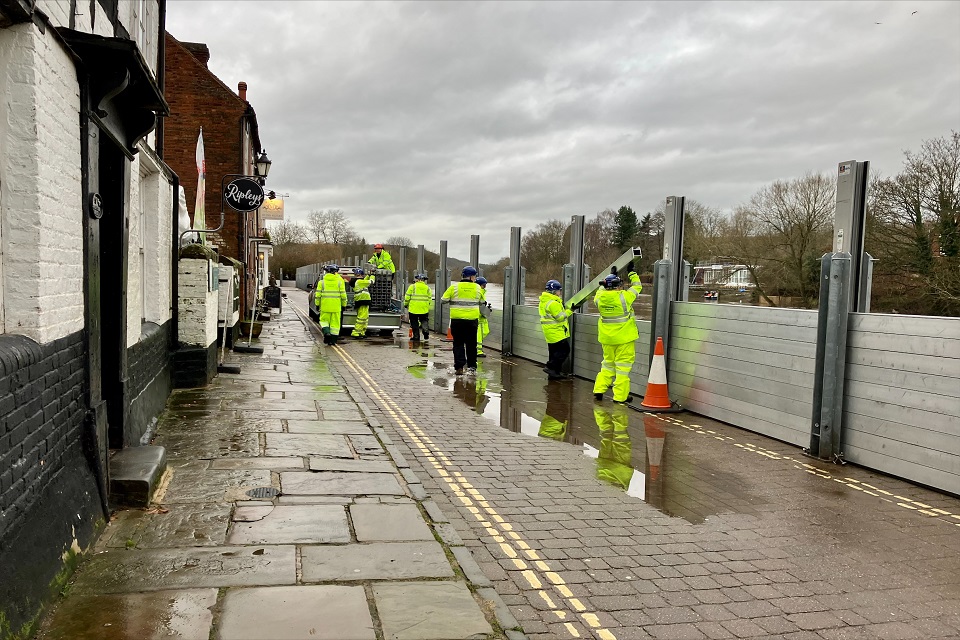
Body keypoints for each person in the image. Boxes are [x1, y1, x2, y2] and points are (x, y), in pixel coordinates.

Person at [593, 262, 642, 403]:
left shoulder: (599, 298)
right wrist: (631, 272)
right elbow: (638, 286)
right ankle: (620, 397)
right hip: (624, 339)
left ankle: (599, 389)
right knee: (622, 368)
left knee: (607, 364)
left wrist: (611, 276)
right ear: (618, 286)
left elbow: (600, 289)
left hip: (607, 338)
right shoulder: (625, 297)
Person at [440, 266, 484, 375]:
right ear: (472, 277)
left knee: (458, 343)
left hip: (457, 320)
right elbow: (482, 302)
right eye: (474, 276)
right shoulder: (478, 288)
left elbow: (443, 300)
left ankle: (459, 367)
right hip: (472, 321)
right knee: (471, 344)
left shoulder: (454, 287)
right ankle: (472, 367)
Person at [539, 279, 573, 380]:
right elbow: (560, 317)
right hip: (557, 331)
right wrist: (570, 311)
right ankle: (550, 367)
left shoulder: (545, 301)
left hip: (549, 331)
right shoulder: (553, 303)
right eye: (559, 290)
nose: (560, 292)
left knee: (553, 352)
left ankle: (554, 373)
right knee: (565, 350)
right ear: (554, 291)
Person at [315, 264, 347, 345]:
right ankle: (333, 341)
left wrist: (317, 304)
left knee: (324, 321)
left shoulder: (321, 282)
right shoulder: (340, 282)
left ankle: (326, 333)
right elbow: (343, 295)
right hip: (336, 307)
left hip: (325, 306)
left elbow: (317, 295)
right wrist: (344, 305)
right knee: (335, 324)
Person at [404, 272, 432, 341]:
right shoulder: (427, 288)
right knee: (424, 320)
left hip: (413, 309)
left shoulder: (412, 287)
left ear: (418, 279)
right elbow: (429, 299)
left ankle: (416, 337)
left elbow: (407, 297)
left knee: (414, 323)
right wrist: (427, 306)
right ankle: (425, 331)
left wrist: (405, 304)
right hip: (424, 309)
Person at [351, 267, 375, 339]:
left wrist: (368, 274)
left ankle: (362, 332)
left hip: (362, 301)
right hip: (363, 301)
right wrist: (373, 275)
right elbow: (371, 281)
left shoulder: (359, 282)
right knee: (361, 318)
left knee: (365, 318)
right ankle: (356, 332)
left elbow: (365, 280)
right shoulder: (359, 282)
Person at [475, 276, 492, 358]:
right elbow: (481, 306)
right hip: (479, 318)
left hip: (481, 318)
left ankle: (476, 349)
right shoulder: (479, 292)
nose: (485, 286)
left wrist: (486, 309)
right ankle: (478, 351)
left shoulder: (481, 292)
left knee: (484, 332)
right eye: (483, 285)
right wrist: (486, 311)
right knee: (479, 335)